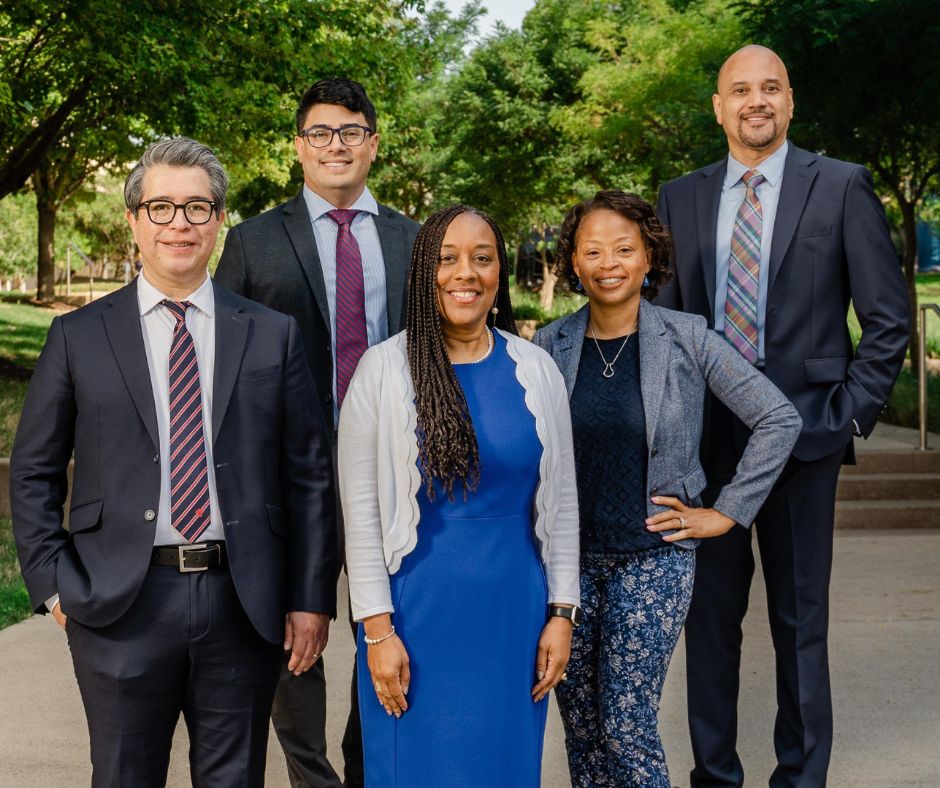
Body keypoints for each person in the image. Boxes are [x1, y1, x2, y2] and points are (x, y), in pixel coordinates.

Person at [10, 137, 337, 787]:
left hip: (241, 602)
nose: (179, 223)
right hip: (118, 604)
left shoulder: (272, 334)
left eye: (197, 207)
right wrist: (53, 585)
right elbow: (34, 472)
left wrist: (308, 596)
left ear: (219, 220)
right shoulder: (78, 336)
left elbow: (308, 476)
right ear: (133, 220)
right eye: (160, 207)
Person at [655, 45, 911, 787]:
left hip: (806, 438)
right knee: (709, 628)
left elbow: (888, 320)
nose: (755, 100)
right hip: (707, 449)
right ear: (719, 107)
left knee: (800, 626)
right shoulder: (682, 196)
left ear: (791, 102)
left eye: (770, 88)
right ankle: (715, 776)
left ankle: (800, 778)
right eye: (740, 90)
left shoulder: (840, 187)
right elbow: (666, 325)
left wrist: (847, 417)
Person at [533, 190, 801, 787]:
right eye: (593, 250)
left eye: (625, 249)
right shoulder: (547, 348)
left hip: (651, 561)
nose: (609, 263)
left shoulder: (686, 337)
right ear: (574, 263)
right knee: (583, 728)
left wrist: (726, 512)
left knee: (627, 724)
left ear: (648, 257)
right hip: (567, 568)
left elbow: (778, 419)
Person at [215, 77, 419, 787]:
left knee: (387, 623)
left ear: (374, 144)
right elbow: (227, 370)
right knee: (293, 635)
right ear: (299, 147)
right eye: (322, 134)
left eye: (352, 132)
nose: (338, 145)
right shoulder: (250, 242)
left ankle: (368, 767)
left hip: (394, 470)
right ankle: (313, 776)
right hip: (287, 474)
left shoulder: (414, 240)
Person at [338, 205, 580, 787]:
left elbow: (563, 502)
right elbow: (362, 514)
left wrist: (562, 614)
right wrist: (377, 630)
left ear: (500, 272)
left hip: (513, 617)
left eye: (482, 257)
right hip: (413, 619)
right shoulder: (382, 370)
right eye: (447, 258)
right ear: (425, 271)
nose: (464, 272)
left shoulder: (536, 370)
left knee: (502, 771)